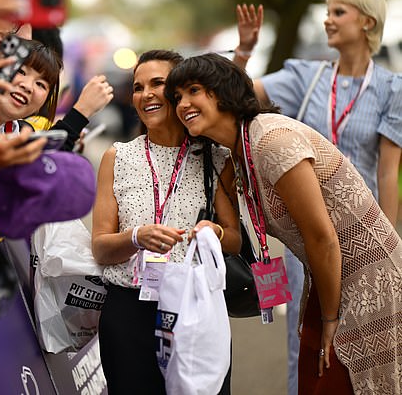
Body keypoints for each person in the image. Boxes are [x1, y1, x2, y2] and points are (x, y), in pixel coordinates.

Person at [166, 51, 402, 394]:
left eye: (193, 90)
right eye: (177, 98)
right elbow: (232, 231)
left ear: (222, 91)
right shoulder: (239, 149)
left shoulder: (272, 140)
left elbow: (322, 238)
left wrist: (330, 320)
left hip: (368, 279)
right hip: (331, 276)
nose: (182, 104)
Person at [245, 0, 401, 394]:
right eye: (327, 10)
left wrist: (390, 245)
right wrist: (243, 51)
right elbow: (237, 96)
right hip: (306, 231)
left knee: (364, 338)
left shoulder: (392, 89)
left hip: (360, 234)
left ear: (367, 21)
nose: (327, 19)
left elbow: (388, 173)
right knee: (306, 330)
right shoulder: (304, 76)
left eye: (339, 11)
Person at [90, 49, 241, 395]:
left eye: (158, 83)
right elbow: (100, 246)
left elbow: (235, 240)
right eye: (138, 87)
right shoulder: (117, 156)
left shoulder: (217, 158)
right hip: (128, 313)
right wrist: (136, 237)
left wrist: (215, 232)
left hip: (194, 310)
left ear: (179, 91)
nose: (146, 95)